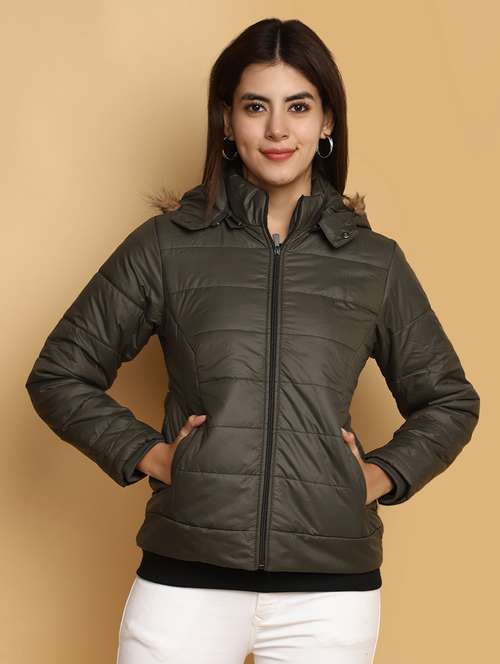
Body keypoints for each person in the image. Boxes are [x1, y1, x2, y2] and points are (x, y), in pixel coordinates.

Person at [25, 17, 480, 664]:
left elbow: (449, 401)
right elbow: (59, 373)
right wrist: (152, 456)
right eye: (256, 106)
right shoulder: (167, 247)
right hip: (184, 590)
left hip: (329, 601)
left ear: (326, 121)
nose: (277, 130)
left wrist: (375, 476)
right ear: (226, 120)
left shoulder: (372, 262)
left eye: (299, 106)